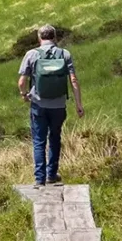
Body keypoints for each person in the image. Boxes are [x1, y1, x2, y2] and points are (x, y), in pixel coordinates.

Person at [18, 25, 84, 188]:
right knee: (55, 138)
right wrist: (78, 104)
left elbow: (22, 81)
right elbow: (73, 80)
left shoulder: (31, 54)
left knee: (39, 141)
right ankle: (52, 175)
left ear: (39, 38)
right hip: (58, 105)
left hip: (38, 104)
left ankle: (39, 179)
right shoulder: (64, 54)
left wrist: (24, 94)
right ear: (55, 37)